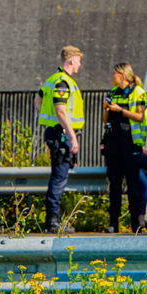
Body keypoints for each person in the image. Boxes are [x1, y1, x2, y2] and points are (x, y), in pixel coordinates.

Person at [35, 46, 85, 233]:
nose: (80, 64)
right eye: (79, 60)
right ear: (71, 60)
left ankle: (54, 219)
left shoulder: (52, 80)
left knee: (59, 176)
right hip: (61, 136)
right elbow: (61, 111)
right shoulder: (63, 82)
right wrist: (72, 136)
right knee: (59, 178)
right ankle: (53, 222)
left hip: (56, 132)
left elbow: (38, 101)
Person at [101, 62, 147, 233]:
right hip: (113, 142)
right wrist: (107, 109)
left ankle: (135, 223)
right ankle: (113, 222)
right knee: (114, 184)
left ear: (122, 75)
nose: (112, 76)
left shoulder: (138, 92)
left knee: (133, 184)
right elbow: (106, 119)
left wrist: (120, 110)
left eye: (114, 73)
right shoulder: (113, 93)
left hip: (130, 142)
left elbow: (139, 116)